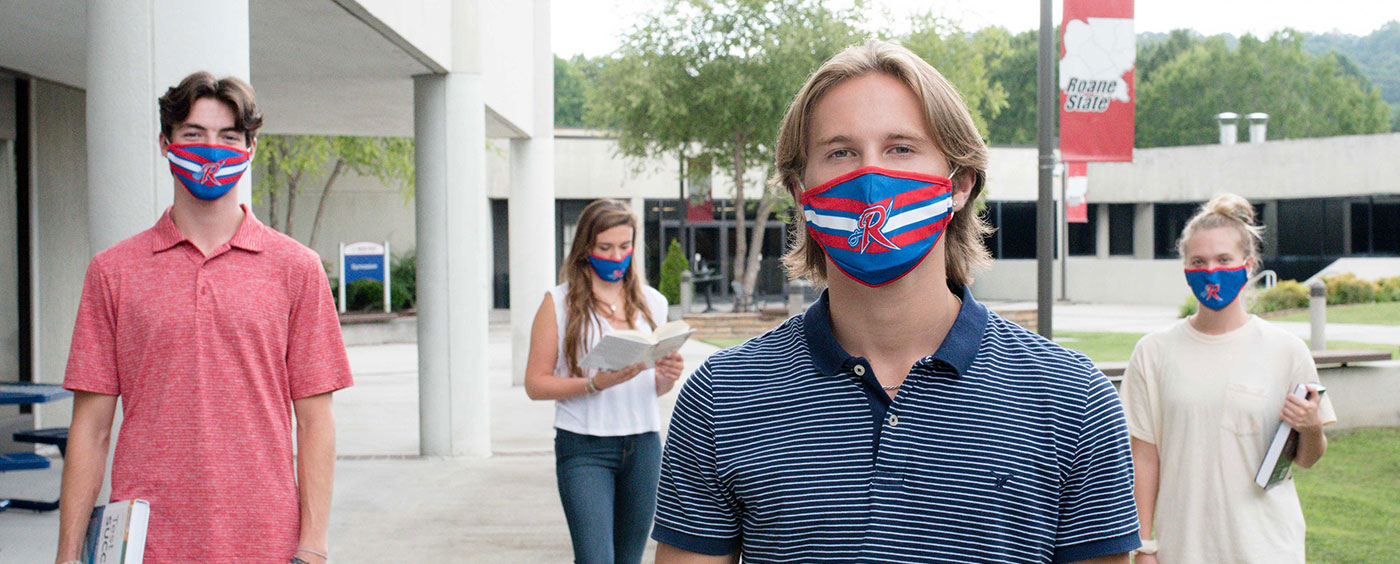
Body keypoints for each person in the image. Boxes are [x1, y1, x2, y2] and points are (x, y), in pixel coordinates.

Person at [652, 39, 1140, 564]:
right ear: (800, 190)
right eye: (840, 152)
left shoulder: (1072, 400)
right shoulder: (722, 397)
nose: (869, 179)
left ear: (960, 183)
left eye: (901, 148)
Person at [56, 72, 353, 564]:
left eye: (228, 137)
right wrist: (68, 555)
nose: (210, 150)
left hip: (266, 544)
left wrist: (313, 548)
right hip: (144, 544)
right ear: (165, 143)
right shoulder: (113, 271)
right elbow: (91, 428)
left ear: (251, 148)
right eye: (193, 135)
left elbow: (316, 421)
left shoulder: (296, 269)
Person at [1121, 194, 1335, 563]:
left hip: (1268, 547)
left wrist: (1312, 427)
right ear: (1185, 268)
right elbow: (1144, 460)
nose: (1212, 271)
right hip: (1184, 549)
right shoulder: (1153, 352)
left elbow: (1307, 459)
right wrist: (1143, 545)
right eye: (1199, 262)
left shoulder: (1286, 350)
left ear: (1248, 265)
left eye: (1224, 260)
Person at [524, 199, 685, 564]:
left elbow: (650, 386)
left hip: (643, 445)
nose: (616, 256)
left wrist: (666, 377)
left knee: (630, 559)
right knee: (596, 558)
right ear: (586, 248)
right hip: (584, 447)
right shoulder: (559, 303)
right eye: (605, 247)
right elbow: (535, 383)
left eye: (625, 247)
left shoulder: (652, 303)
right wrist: (596, 384)